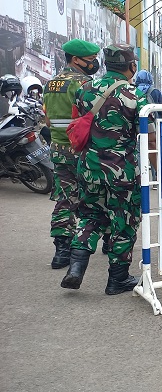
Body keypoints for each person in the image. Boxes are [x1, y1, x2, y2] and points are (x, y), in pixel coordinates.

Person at [61, 44, 153, 295]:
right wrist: (158, 171)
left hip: (88, 167)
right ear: (131, 66)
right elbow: (151, 139)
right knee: (123, 222)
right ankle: (118, 280)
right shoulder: (136, 96)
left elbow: (77, 123)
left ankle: (76, 269)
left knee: (90, 216)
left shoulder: (84, 90)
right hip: (121, 171)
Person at [42, 39, 110, 270]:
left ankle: (61, 251)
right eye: (90, 61)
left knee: (65, 197)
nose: (94, 64)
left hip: (59, 150)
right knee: (100, 195)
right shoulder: (84, 83)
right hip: (82, 150)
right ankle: (110, 242)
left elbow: (48, 120)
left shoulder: (50, 83)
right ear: (75, 59)